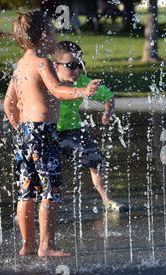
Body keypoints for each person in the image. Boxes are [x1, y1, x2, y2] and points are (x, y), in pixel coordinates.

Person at [3, 11, 100, 257]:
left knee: (26, 190)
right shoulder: (42, 62)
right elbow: (56, 90)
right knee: (51, 189)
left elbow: (9, 104)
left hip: (25, 133)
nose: (55, 37)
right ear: (44, 35)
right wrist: (82, 92)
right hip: (43, 133)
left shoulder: (19, 65)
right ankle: (46, 245)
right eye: (53, 32)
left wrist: (21, 130)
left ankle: (27, 245)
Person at [52, 41, 125, 212]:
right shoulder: (48, 82)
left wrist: (108, 112)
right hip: (49, 130)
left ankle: (107, 200)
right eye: (71, 66)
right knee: (43, 170)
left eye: (80, 65)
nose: (77, 70)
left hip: (74, 130)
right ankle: (31, 206)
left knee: (97, 163)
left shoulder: (83, 82)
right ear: (56, 66)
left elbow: (108, 96)